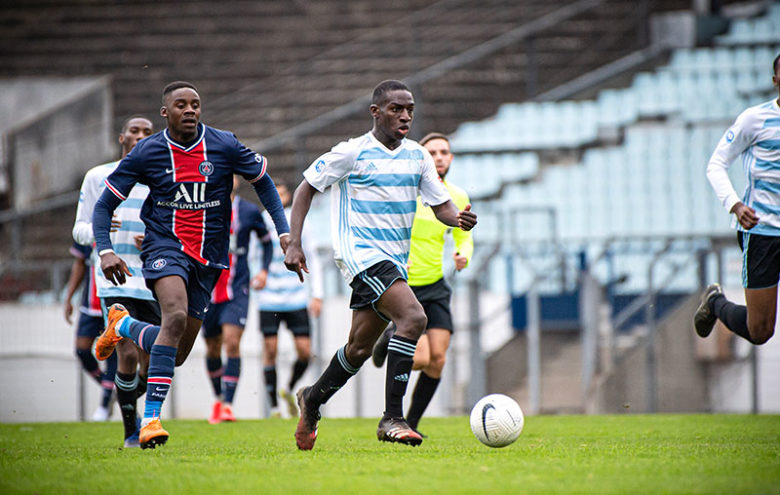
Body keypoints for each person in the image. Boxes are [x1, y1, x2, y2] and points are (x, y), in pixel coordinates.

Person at [91, 81, 290, 449]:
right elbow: (103, 205)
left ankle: (124, 324)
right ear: (165, 113)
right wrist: (105, 250)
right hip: (164, 247)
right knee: (175, 316)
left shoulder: (224, 144)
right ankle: (150, 420)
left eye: (195, 104)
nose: (190, 110)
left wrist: (285, 234)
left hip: (210, 259)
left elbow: (262, 181)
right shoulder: (147, 153)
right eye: (181, 105)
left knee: (178, 353)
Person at [283, 80, 477, 451]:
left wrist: (458, 220)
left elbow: (441, 206)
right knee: (414, 318)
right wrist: (294, 242)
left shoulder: (418, 156)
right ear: (376, 112)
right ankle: (392, 417)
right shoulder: (351, 152)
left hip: (393, 260)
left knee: (358, 348)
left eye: (409, 110)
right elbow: (307, 186)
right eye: (396, 109)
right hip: (360, 255)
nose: (404, 116)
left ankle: (312, 398)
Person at [370, 132, 473, 437]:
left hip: (436, 284)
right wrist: (396, 258)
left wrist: (462, 254)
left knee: (438, 360)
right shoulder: (407, 193)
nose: (439, 157)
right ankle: (390, 339)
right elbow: (383, 230)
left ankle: (411, 424)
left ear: (451, 158)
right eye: (433, 152)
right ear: (423, 159)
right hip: (406, 287)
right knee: (423, 357)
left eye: (444, 152)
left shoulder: (458, 196)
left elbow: (464, 236)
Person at [72, 115, 157, 447]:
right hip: (113, 279)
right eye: (134, 131)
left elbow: (176, 228)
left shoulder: (162, 179)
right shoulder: (99, 177)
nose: (139, 136)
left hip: (153, 277)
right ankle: (131, 433)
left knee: (152, 358)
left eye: (147, 132)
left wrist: (156, 239)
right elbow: (78, 229)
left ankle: (129, 401)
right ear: (121, 137)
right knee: (127, 352)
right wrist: (100, 229)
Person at [694, 54, 780, 345]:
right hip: (763, 232)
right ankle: (715, 302)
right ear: (775, 81)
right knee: (760, 331)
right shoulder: (754, 120)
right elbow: (715, 165)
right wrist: (735, 203)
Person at [202, 175, 273, 424]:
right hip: (207, 291)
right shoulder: (203, 206)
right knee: (212, 347)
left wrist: (263, 270)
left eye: (231, 173)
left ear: (237, 180)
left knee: (232, 343)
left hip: (238, 290)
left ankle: (228, 405)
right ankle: (218, 398)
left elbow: (267, 242)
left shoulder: (248, 211)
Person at [253, 183, 323, 418]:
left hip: (296, 296)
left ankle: (289, 388)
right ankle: (273, 407)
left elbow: (313, 257)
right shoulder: (261, 221)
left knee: (305, 352)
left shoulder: (300, 221)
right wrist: (256, 279)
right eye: (276, 194)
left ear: (288, 196)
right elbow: (253, 255)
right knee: (270, 350)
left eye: (283, 193)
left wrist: (317, 294)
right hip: (269, 297)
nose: (279, 198)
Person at [63, 242, 117, 422]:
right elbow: (79, 263)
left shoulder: (122, 226)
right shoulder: (88, 231)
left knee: (113, 355)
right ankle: (110, 388)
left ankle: (104, 405)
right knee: (82, 350)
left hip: (114, 305)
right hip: (90, 305)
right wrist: (69, 297)